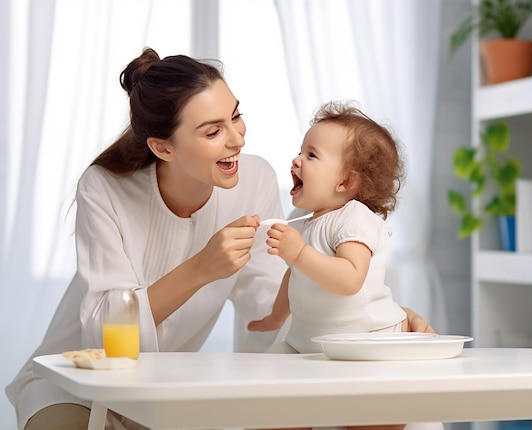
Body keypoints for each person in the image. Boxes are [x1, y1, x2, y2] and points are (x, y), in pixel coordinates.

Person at [5, 48, 434, 430]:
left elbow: (267, 312)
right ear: (164, 147)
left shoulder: (256, 180)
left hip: (162, 393)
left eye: (236, 115)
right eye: (213, 131)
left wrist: (376, 319)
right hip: (72, 381)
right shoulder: (104, 188)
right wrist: (199, 270)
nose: (237, 138)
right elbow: (104, 335)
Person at [248, 101, 431, 430]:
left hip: (370, 343)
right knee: (268, 400)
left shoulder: (354, 218)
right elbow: (294, 275)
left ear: (345, 182)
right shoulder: (301, 220)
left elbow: (350, 279)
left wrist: (299, 253)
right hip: (310, 342)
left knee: (373, 421)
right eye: (300, 151)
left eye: (311, 155)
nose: (297, 160)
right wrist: (276, 317)